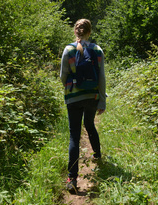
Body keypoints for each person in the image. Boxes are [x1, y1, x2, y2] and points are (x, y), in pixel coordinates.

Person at [60, 19, 106, 194]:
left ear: (75, 31)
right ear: (89, 32)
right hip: (92, 96)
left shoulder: (68, 49)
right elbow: (101, 78)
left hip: (73, 97)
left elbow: (62, 76)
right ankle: (98, 156)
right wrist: (102, 100)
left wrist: (71, 87)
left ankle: (72, 178)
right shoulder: (97, 50)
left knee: (74, 135)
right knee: (89, 124)